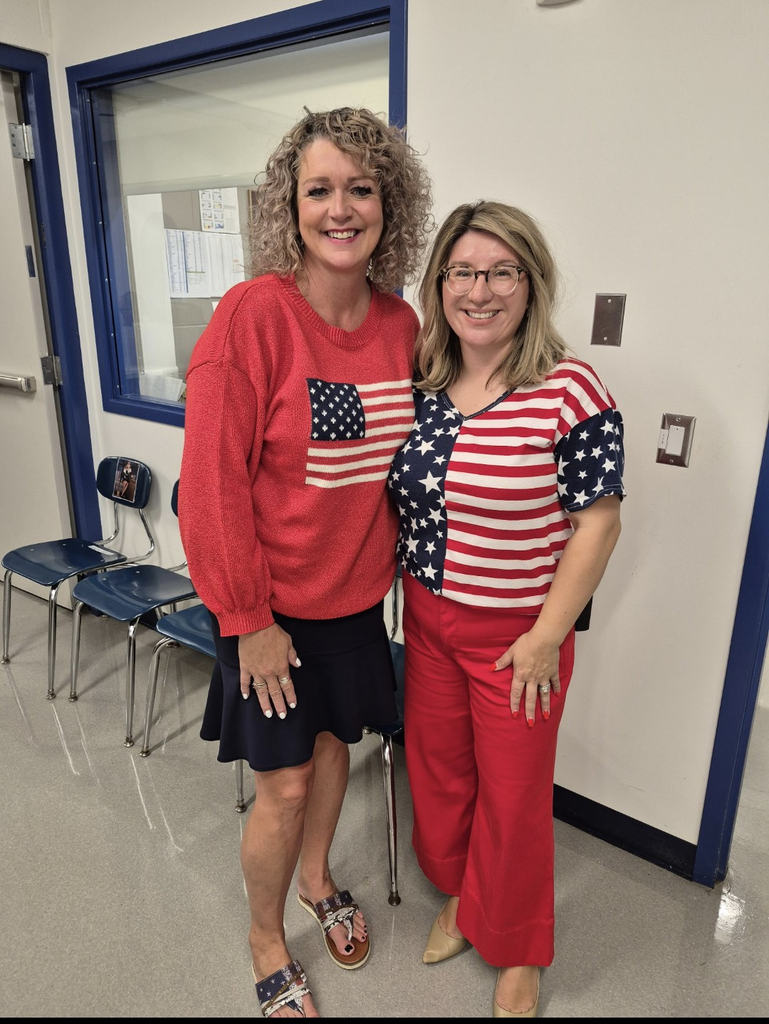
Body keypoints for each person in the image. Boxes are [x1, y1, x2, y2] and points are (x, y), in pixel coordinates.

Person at [177, 107, 432, 1018]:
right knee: (281, 785)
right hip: (269, 610)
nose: (340, 208)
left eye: (360, 188)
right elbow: (207, 486)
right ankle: (263, 937)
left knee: (333, 750)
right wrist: (246, 620)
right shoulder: (254, 317)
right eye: (318, 189)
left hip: (353, 606)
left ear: (386, 204)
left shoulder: (402, 324)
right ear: (289, 207)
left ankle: (319, 881)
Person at [387, 201, 625, 1018]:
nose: (479, 291)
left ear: (530, 284)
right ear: (438, 282)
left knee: (516, 795)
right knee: (442, 775)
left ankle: (518, 947)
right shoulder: (421, 380)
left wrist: (545, 638)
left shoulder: (569, 387)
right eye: (462, 272)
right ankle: (460, 899)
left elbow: (598, 521)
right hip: (425, 618)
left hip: (517, 636)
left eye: (500, 272)